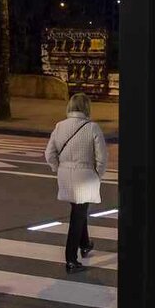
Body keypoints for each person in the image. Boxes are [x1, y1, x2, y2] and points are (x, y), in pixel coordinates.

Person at [45, 93, 108, 274]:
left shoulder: (60, 126)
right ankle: (71, 259)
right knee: (78, 215)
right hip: (85, 175)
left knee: (79, 210)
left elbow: (49, 154)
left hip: (65, 174)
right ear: (87, 107)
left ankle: (85, 243)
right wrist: (98, 174)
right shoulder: (92, 128)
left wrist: (59, 168)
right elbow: (101, 157)